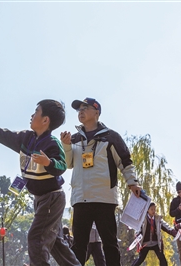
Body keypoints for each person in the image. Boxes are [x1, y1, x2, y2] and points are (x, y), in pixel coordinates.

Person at [0, 99, 81, 266]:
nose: (32, 115)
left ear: (45, 120)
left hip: (52, 197)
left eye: (36, 111)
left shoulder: (52, 143)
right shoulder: (25, 138)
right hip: (39, 199)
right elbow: (3, 134)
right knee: (55, 243)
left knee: (36, 237)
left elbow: (62, 166)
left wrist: (48, 163)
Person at [60, 97, 141, 265]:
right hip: (80, 198)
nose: (80, 111)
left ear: (96, 112)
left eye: (85, 108)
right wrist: (66, 146)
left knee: (110, 244)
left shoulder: (111, 137)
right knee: (79, 245)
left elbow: (125, 161)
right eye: (79, 109)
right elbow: (68, 164)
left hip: (104, 198)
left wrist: (132, 182)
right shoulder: (74, 139)